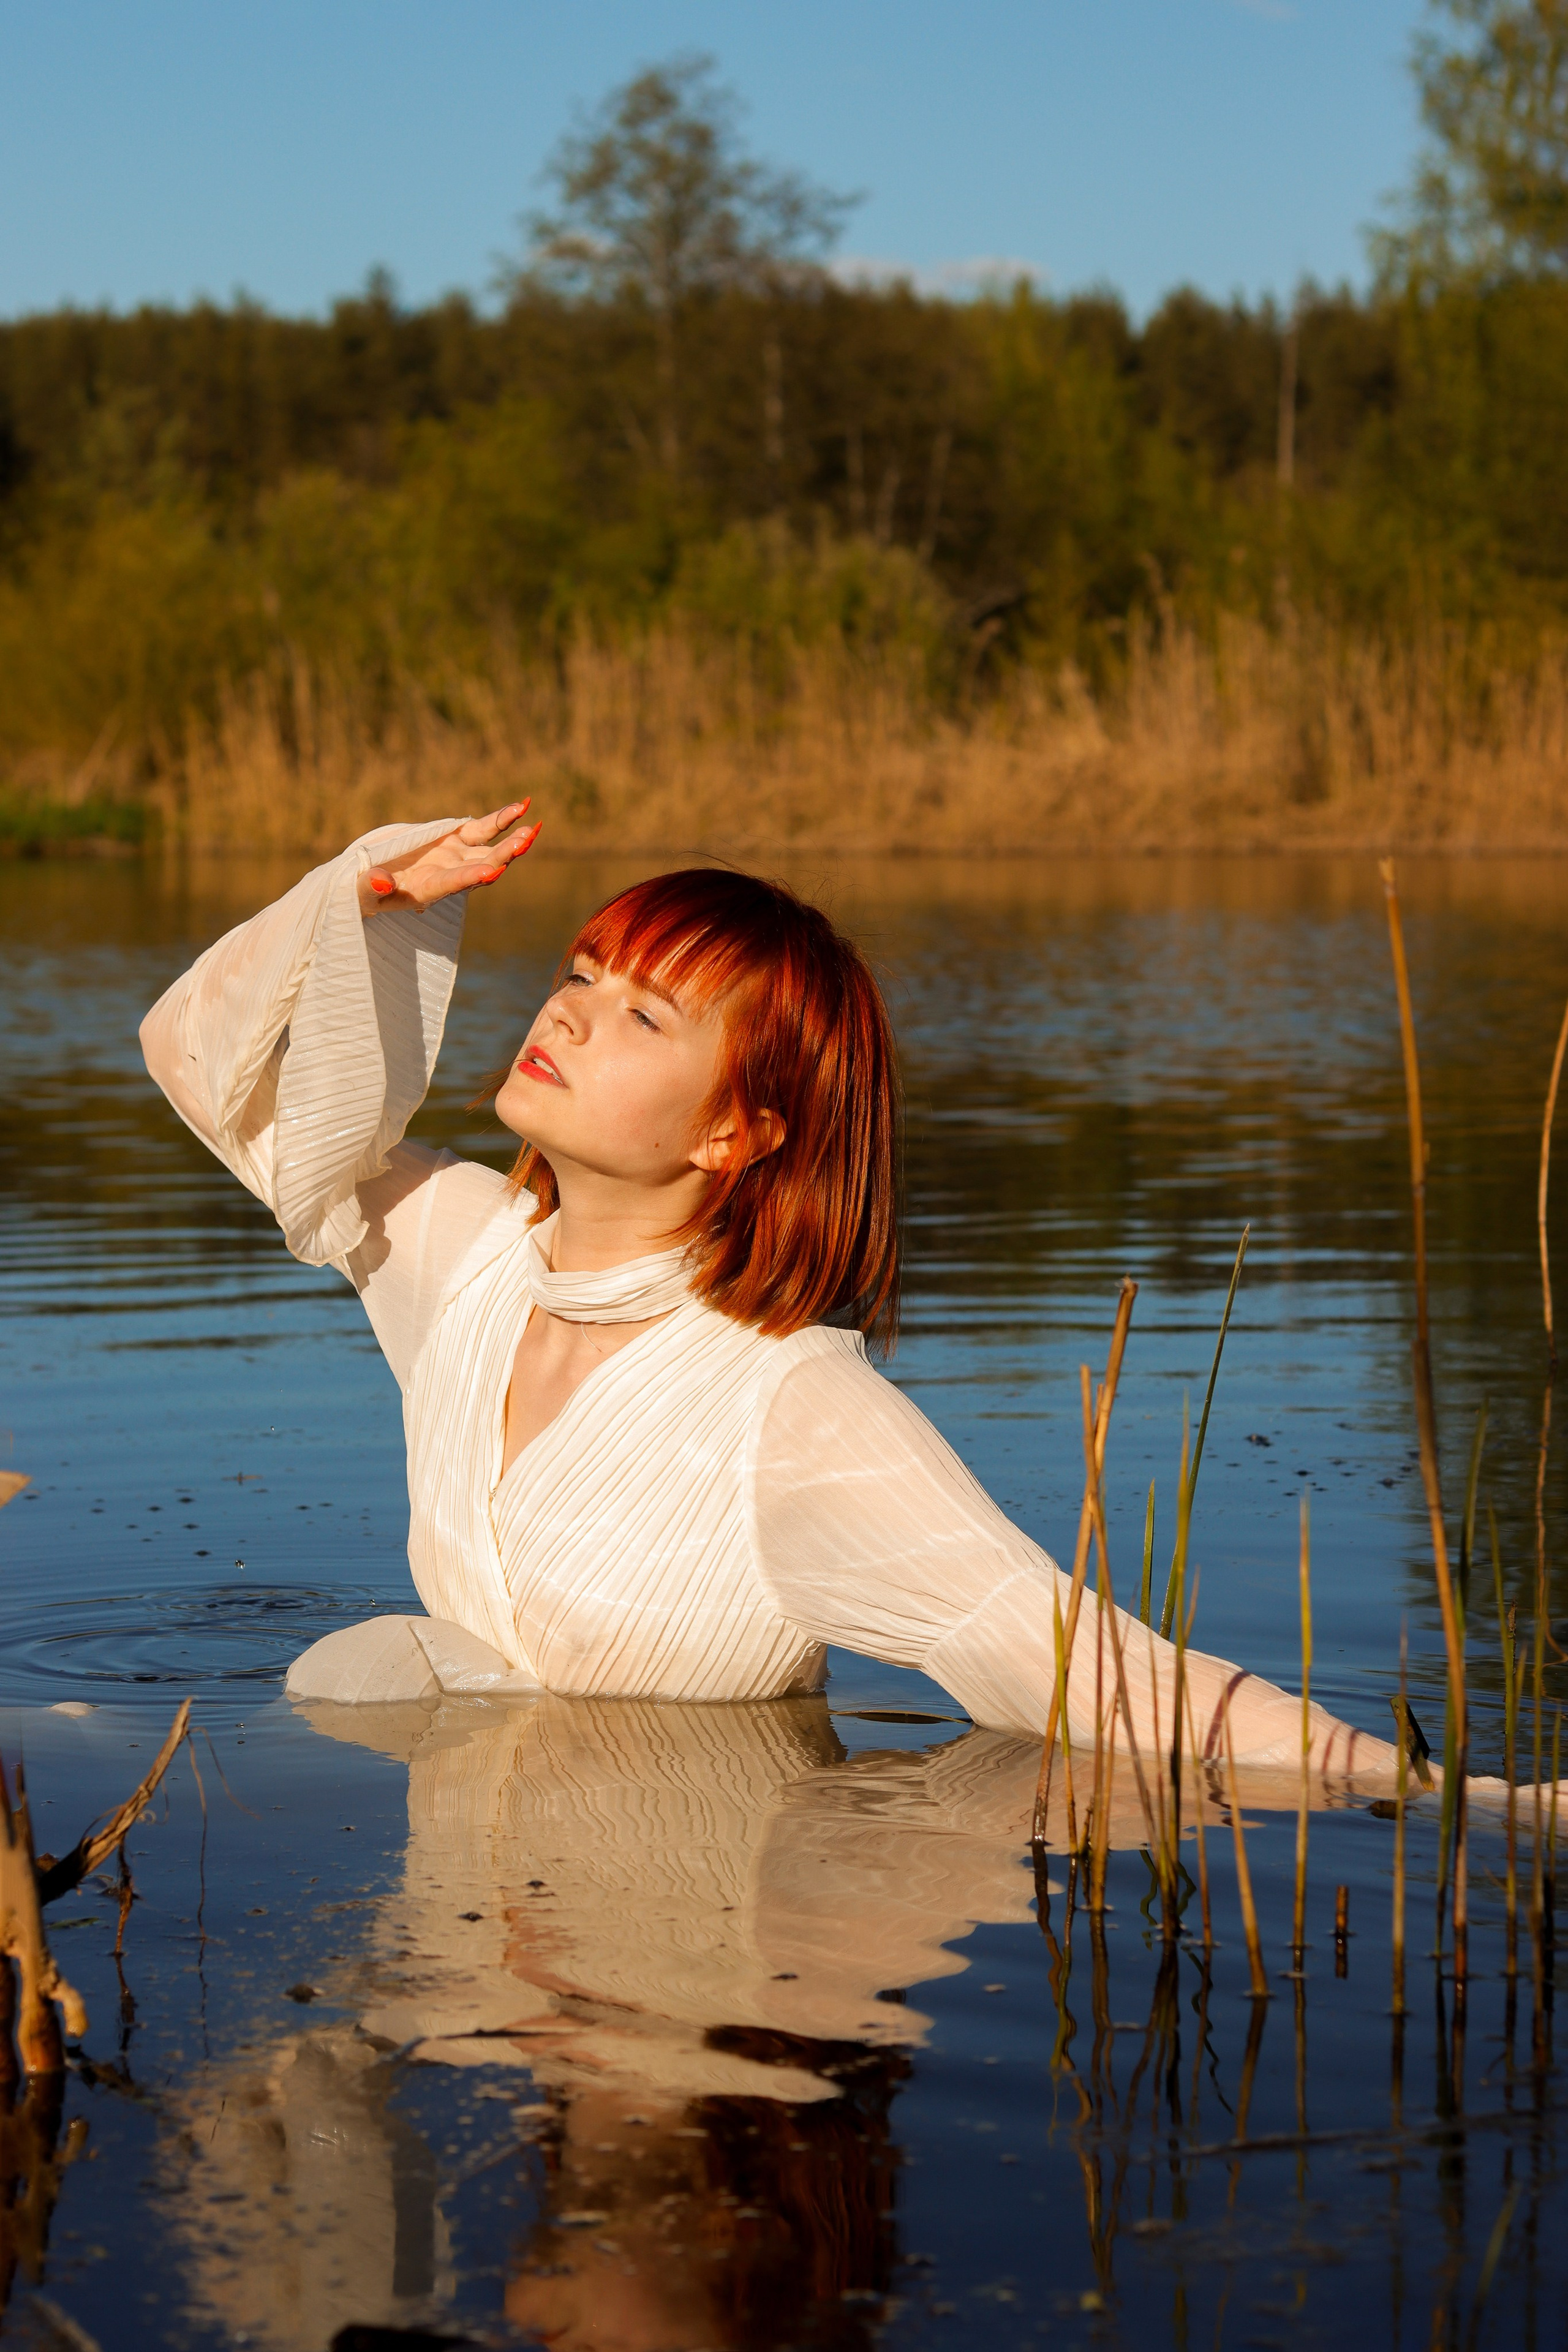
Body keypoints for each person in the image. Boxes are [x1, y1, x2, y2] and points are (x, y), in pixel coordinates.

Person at [140, 805, 1403, 1787]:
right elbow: (202, 1064)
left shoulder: (793, 1410)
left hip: (710, 1992)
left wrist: (1444, 1795)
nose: (570, 1015)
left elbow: (1090, 1671)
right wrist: (355, 899)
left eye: (643, 1014)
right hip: (491, 2008)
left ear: (733, 1135)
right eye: (583, 972)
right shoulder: (463, 1252)